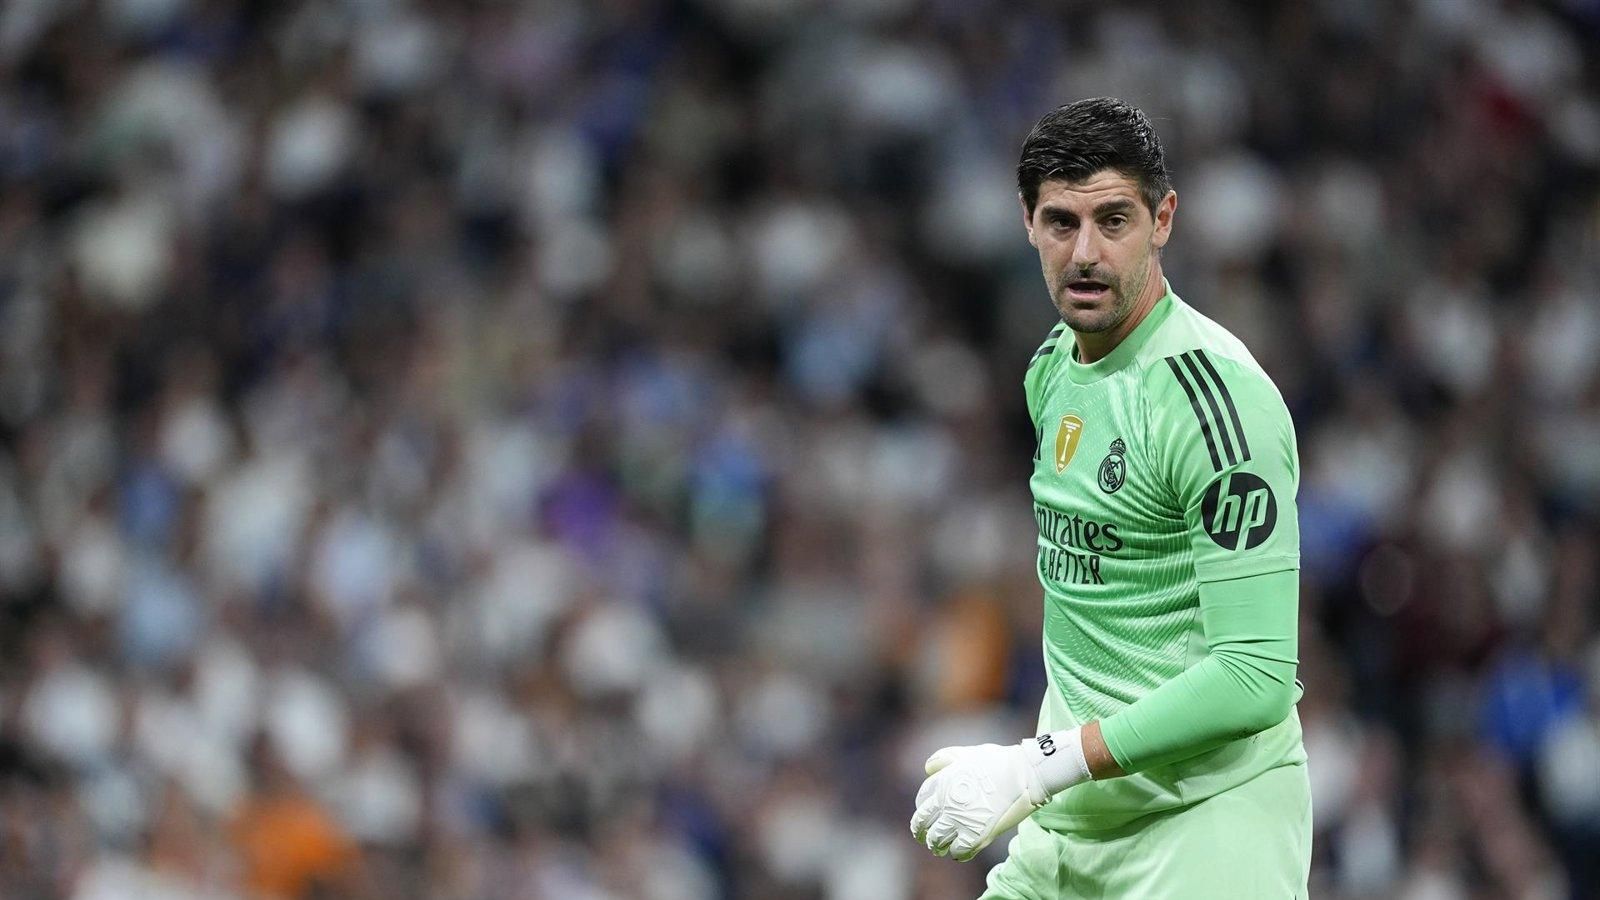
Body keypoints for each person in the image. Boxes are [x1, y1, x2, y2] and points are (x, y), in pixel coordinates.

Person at [910, 98, 1311, 898]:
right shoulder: (1052, 367)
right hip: (1071, 828)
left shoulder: (1216, 406)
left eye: (1114, 221)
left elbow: (1256, 676)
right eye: (1061, 222)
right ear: (1026, 221)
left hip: (1206, 827)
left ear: (1163, 220)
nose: (1086, 253)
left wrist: (1037, 762)